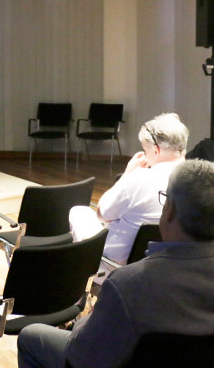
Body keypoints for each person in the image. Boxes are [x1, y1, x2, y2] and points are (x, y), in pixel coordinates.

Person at [17, 160, 214, 368]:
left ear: (168, 210)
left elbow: (82, 357)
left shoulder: (130, 282)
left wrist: (83, 322)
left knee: (31, 335)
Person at [68, 113, 187, 271]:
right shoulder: (199, 179)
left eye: (145, 150)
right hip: (170, 265)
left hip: (115, 267)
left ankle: (77, 274)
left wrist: (127, 174)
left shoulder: (139, 177)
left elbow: (102, 214)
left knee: (79, 212)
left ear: (156, 151)